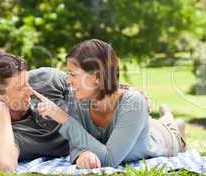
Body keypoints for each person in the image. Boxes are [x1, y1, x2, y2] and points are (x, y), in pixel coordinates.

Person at [32, 39, 187, 169]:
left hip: (164, 138)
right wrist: (82, 154)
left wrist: (64, 118)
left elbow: (109, 159)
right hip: (135, 126)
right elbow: (76, 145)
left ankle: (171, 121)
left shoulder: (134, 102)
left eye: (73, 74)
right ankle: (166, 117)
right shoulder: (78, 100)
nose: (68, 80)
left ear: (97, 77)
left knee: (172, 130)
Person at [0, 51, 70, 172]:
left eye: (27, 82)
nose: (30, 91)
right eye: (21, 88)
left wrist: (82, 149)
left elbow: (95, 100)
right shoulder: (1, 133)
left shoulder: (47, 79)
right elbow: (3, 166)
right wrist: (2, 110)